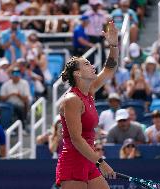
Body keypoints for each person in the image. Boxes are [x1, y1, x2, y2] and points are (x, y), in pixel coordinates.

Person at [56, 21, 118, 189]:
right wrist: (101, 162)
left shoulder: (89, 92)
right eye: (86, 64)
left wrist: (113, 45)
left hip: (89, 160)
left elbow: (110, 69)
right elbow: (76, 139)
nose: (92, 66)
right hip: (74, 163)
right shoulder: (72, 100)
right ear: (77, 73)